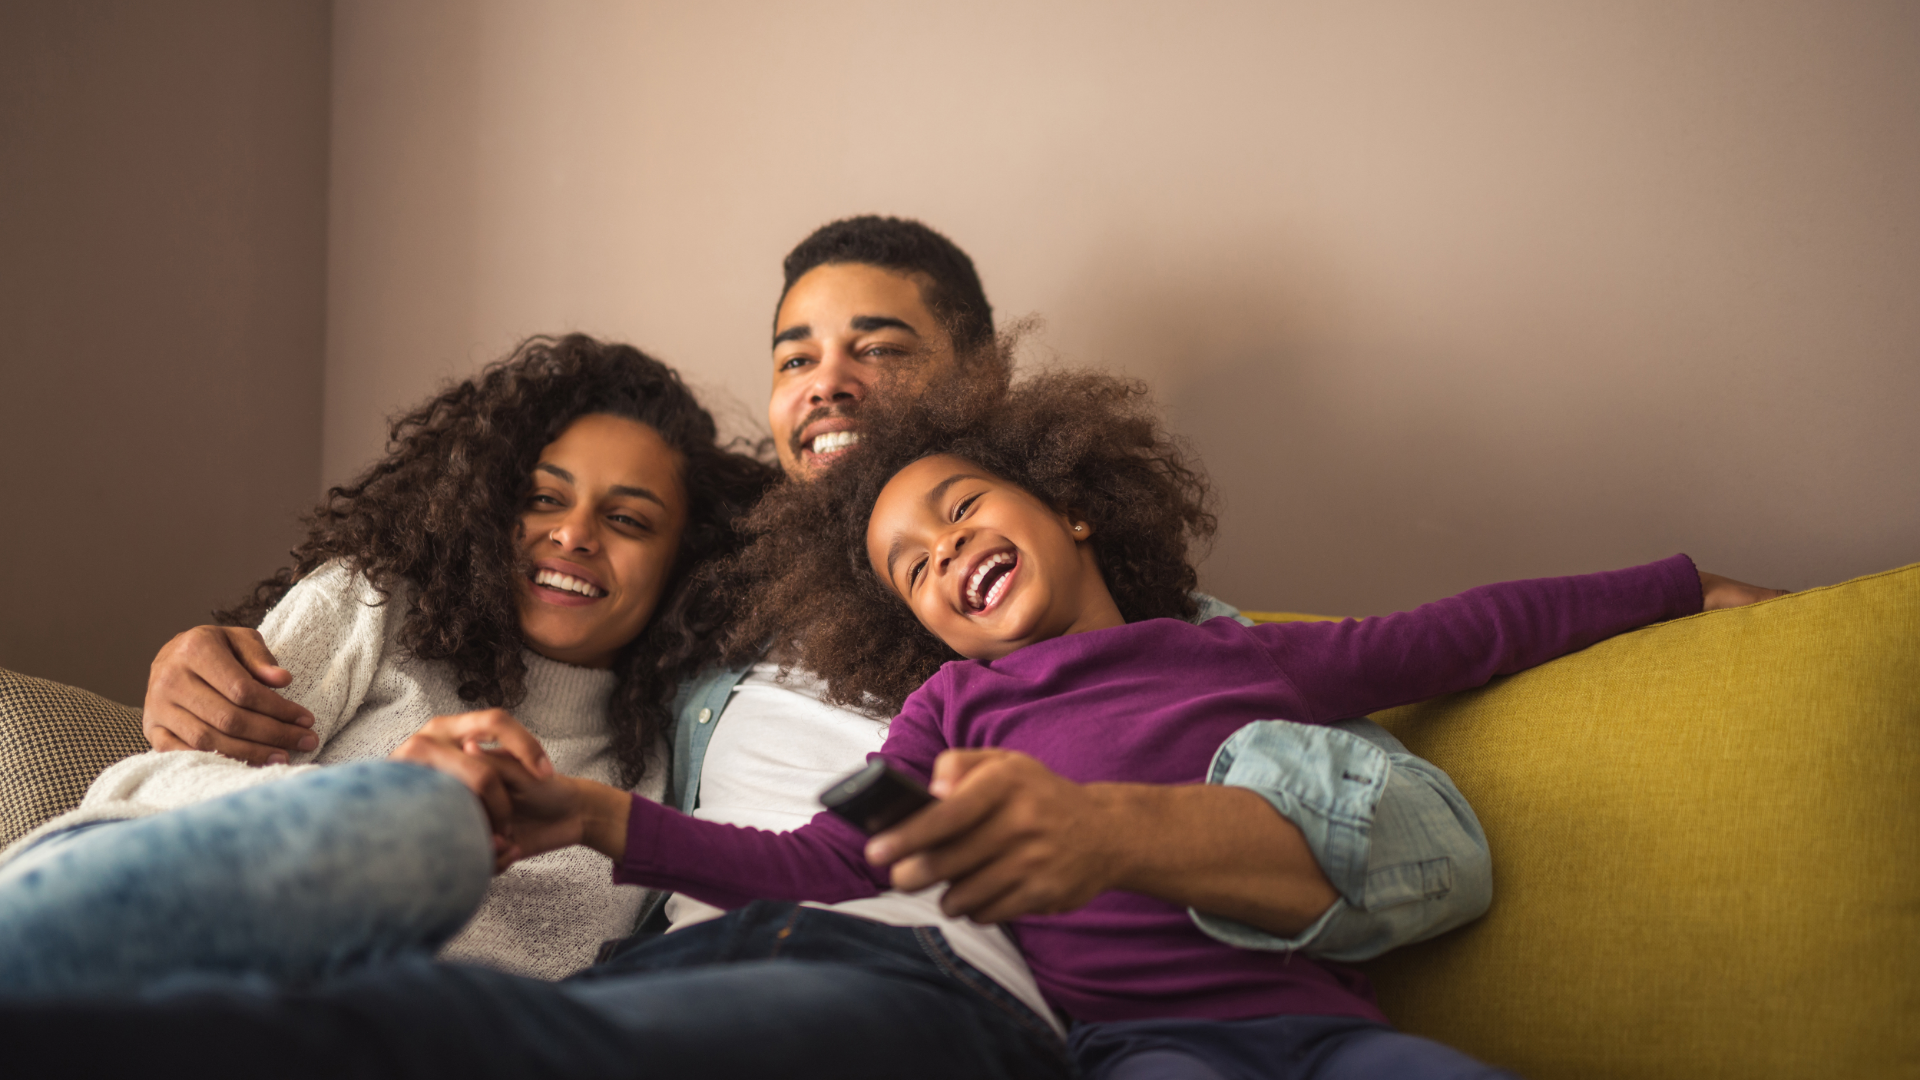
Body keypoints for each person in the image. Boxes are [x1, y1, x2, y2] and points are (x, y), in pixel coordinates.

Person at [51, 218, 1516, 1076]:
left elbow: (1430, 853)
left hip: (924, 992)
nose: (828, 383)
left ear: (982, 397)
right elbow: (507, 592)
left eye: (880, 347)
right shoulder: (701, 605)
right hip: (695, 960)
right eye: (795, 355)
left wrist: (1110, 830)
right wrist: (214, 655)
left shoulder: (1131, 641)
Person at [459, 361, 1785, 1079]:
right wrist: (600, 816)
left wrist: (1681, 585)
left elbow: (1470, 630)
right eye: (911, 568)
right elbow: (817, 866)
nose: (942, 555)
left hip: (1332, 1033)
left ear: (1067, 501)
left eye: (959, 511)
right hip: (1138, 1053)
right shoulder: (953, 709)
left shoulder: (1237, 657)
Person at [0, 334, 777, 986]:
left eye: (626, 519)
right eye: (543, 498)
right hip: (158, 922)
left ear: (686, 564)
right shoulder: (379, 603)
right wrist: (389, 810)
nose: (573, 534)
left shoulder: (669, 756)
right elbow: (149, 788)